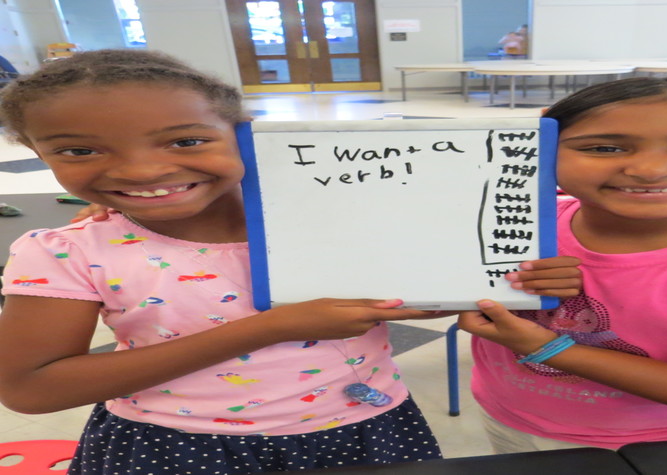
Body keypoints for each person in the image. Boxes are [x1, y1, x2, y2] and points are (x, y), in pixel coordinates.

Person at [0, 49, 450, 474]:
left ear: (242, 132)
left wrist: (473, 286)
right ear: (39, 153)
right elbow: (30, 388)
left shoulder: (334, 217)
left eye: (186, 141)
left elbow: (417, 291)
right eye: (79, 151)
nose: (141, 171)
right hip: (176, 446)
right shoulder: (66, 251)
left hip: (367, 429)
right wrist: (271, 327)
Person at [458, 76, 667, 452]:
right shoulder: (511, 223)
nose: (648, 170)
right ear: (544, 150)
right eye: (605, 148)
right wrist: (482, 287)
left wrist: (552, 349)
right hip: (510, 418)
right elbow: (434, 287)